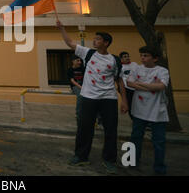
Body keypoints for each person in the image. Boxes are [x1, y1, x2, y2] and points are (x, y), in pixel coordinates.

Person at [56, 20, 128, 174]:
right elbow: (69, 43)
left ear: (106, 43)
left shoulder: (114, 60)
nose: (94, 40)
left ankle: (109, 160)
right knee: (84, 128)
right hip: (88, 97)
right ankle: (81, 156)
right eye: (94, 38)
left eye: (98, 39)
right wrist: (62, 28)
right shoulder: (88, 53)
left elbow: (119, 80)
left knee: (110, 130)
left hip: (109, 98)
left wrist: (124, 101)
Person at [125, 46, 170, 175]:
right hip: (139, 109)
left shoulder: (162, 71)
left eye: (146, 55)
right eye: (142, 55)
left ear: (155, 58)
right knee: (135, 137)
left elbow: (161, 86)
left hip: (157, 111)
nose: (142, 58)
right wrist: (151, 87)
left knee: (159, 141)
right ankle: (132, 162)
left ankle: (160, 168)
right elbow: (129, 83)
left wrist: (140, 84)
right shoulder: (136, 68)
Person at [119, 51, 139, 120]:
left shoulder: (135, 64)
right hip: (126, 88)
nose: (127, 58)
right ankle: (134, 119)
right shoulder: (120, 67)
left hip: (137, 87)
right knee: (130, 105)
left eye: (128, 56)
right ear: (121, 59)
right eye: (125, 57)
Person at [67, 56, 84, 124]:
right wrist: (80, 87)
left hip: (84, 86)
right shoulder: (70, 70)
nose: (80, 62)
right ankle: (78, 114)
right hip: (75, 86)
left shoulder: (83, 69)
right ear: (73, 61)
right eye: (78, 60)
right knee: (80, 96)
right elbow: (72, 81)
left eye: (80, 61)